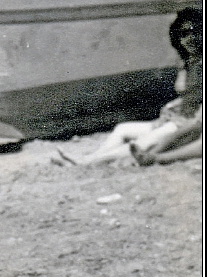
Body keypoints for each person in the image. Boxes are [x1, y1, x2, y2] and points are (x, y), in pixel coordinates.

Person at [68, 9, 202, 166]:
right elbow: (191, 94)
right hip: (173, 118)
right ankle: (93, 157)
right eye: (183, 34)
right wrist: (174, 105)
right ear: (177, 38)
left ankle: (85, 162)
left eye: (194, 32)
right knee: (122, 129)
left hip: (187, 125)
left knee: (143, 142)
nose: (189, 38)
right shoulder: (187, 63)